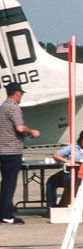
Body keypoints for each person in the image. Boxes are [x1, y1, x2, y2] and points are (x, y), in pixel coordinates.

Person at [1, 82, 43, 224]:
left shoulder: (3, 107)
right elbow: (19, 128)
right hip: (12, 151)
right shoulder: (14, 108)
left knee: (5, 183)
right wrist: (31, 131)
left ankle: (5, 210)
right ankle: (6, 215)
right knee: (9, 183)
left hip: (3, 150)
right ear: (17, 93)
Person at [47, 130, 83, 208]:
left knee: (70, 181)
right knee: (51, 181)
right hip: (69, 171)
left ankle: (62, 206)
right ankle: (50, 207)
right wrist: (67, 161)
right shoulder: (73, 146)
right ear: (80, 140)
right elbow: (56, 155)